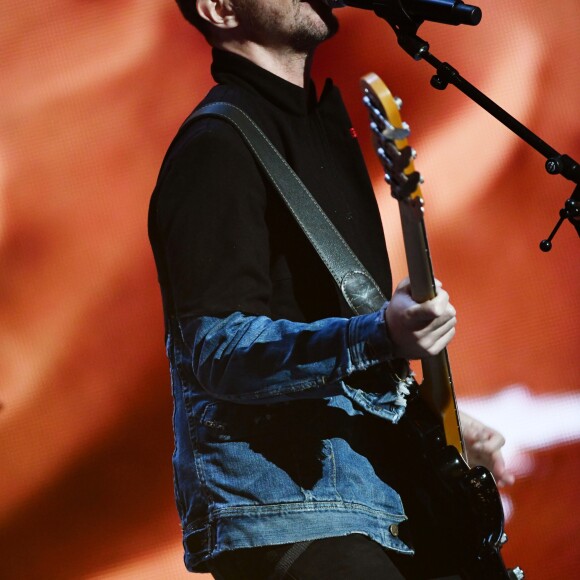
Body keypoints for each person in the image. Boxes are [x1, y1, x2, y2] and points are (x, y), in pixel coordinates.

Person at [148, 1, 514, 578]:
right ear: (219, 7)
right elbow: (218, 351)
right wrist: (381, 333)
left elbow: (338, 346)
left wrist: (433, 424)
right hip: (295, 514)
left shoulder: (321, 132)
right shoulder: (216, 145)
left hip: (384, 502)